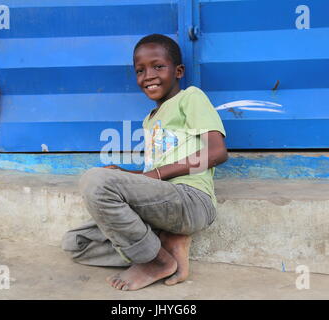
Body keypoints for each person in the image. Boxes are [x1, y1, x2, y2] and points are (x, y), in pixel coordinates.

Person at [62, 34, 227, 291]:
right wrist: (129, 174)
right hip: (162, 202)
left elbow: (217, 152)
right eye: (140, 70)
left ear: (179, 71)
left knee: (94, 181)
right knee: (77, 243)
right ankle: (167, 244)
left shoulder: (190, 98)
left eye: (158, 66)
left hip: (192, 199)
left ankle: (154, 261)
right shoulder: (150, 120)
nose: (148, 75)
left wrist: (152, 176)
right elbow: (155, 173)